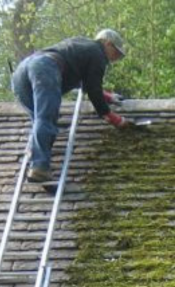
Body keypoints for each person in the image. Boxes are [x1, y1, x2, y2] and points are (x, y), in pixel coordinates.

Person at [12, 29, 129, 183]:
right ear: (107, 43)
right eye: (116, 53)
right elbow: (93, 88)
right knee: (46, 118)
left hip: (23, 71)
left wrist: (107, 96)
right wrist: (110, 116)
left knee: (40, 120)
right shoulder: (98, 53)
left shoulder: (81, 45)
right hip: (45, 68)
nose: (115, 59)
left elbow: (86, 82)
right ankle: (39, 167)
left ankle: (38, 158)